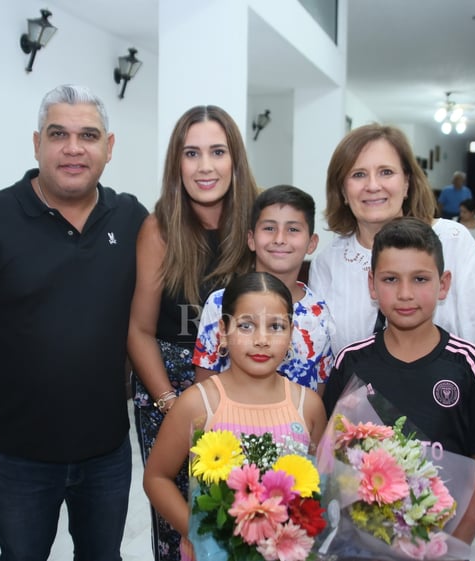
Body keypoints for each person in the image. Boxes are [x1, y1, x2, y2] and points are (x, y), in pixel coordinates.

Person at [0, 85, 148, 561]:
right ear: (37, 144)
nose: (74, 148)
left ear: (108, 148)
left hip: (108, 450)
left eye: (88, 135)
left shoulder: (132, 218)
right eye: (59, 134)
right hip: (20, 454)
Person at [323, 217, 475, 545]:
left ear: (443, 284)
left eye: (420, 279)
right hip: (362, 541)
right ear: (372, 284)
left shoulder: (468, 364)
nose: (405, 293)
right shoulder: (351, 362)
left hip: (441, 538)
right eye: (390, 279)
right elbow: (328, 453)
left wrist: (458, 540)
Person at [308, 123, 475, 426]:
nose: (373, 185)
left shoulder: (452, 243)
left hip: (447, 429)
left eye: (386, 172)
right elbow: (326, 363)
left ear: (407, 182)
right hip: (359, 438)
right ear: (342, 189)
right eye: (358, 174)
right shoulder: (328, 262)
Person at [127, 105, 258, 561]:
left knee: (247, 520)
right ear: (176, 163)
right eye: (192, 153)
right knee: (179, 530)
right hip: (170, 390)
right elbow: (140, 331)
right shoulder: (159, 229)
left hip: (247, 393)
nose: (205, 166)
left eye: (217, 152)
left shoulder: (259, 225)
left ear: (235, 160)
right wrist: (170, 405)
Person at [143, 272, 327, 559]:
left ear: (292, 332)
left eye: (276, 326)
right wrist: (199, 532)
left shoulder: (309, 406)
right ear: (223, 331)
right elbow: (157, 477)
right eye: (246, 326)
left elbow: (320, 485)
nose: (262, 340)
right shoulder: (197, 404)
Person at [193, 185, 334, 394]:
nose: (279, 239)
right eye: (269, 228)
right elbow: (203, 390)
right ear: (251, 239)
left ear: (311, 243)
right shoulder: (220, 303)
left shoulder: (319, 313)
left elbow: (318, 391)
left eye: (293, 229)